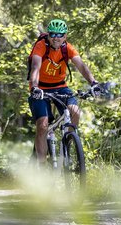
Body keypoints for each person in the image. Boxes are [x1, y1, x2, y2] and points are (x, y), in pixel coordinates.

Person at [28, 19, 102, 164]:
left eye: (60, 34)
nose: (56, 37)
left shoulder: (67, 48)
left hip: (60, 87)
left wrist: (93, 83)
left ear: (65, 36)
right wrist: (34, 87)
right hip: (40, 88)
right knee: (42, 126)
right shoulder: (41, 46)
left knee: (75, 112)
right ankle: (41, 167)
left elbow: (81, 66)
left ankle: (67, 143)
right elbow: (35, 67)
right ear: (48, 35)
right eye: (53, 34)